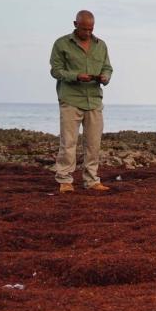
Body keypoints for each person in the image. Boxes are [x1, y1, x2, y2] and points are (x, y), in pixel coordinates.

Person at [50, 10, 113, 192]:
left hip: (94, 100)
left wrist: (105, 77)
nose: (88, 33)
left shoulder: (101, 45)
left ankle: (92, 180)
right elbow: (55, 70)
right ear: (75, 24)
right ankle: (65, 180)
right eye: (84, 29)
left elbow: (108, 68)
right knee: (68, 142)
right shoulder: (61, 44)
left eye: (91, 29)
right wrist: (76, 76)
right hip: (71, 99)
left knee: (93, 143)